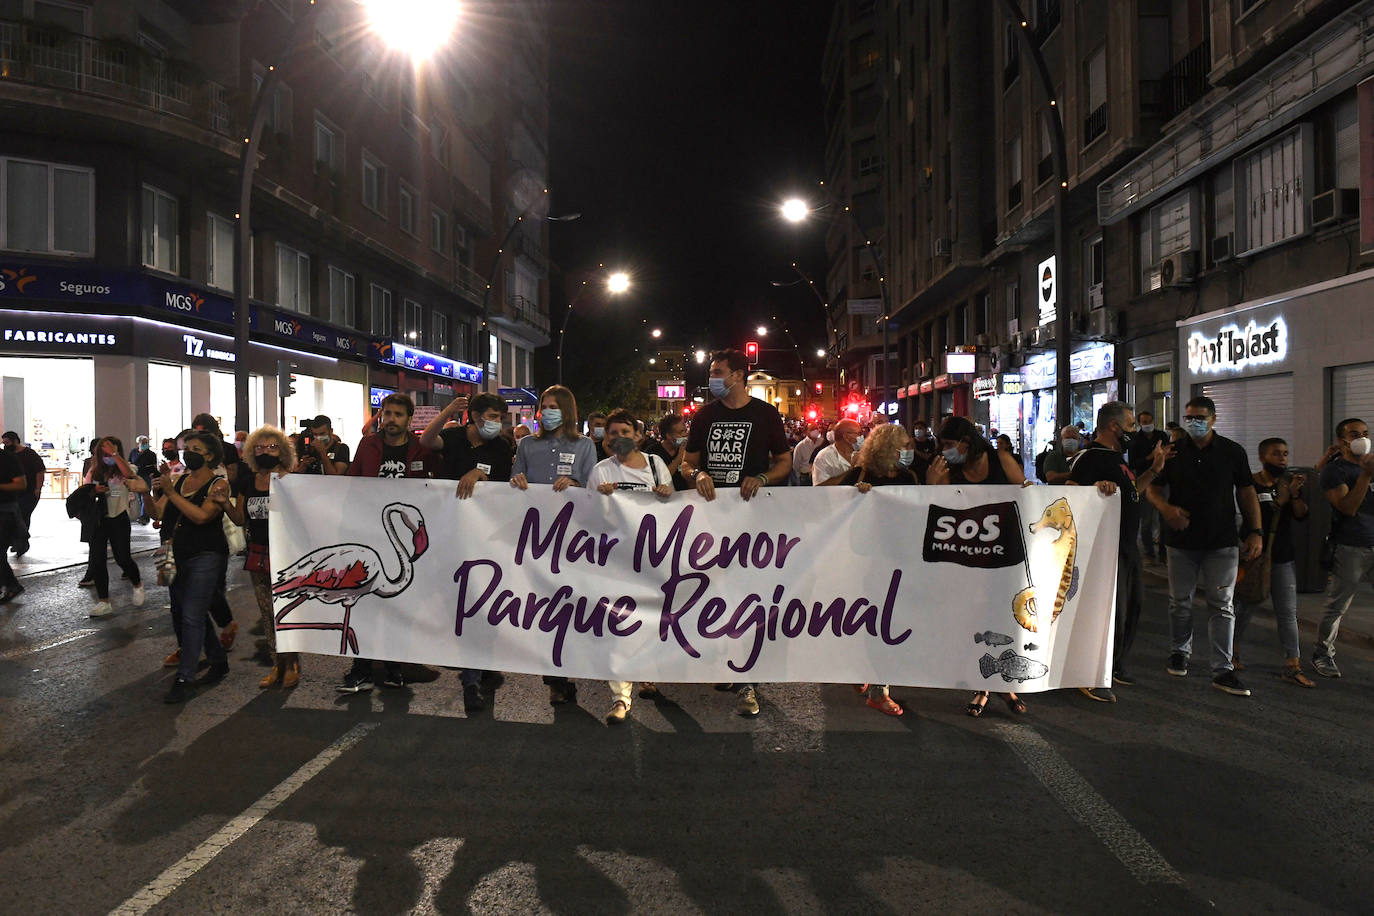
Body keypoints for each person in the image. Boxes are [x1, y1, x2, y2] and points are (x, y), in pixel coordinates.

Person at [680, 349, 792, 717]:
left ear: (739, 375)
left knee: (749, 599)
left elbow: (784, 461)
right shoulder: (704, 415)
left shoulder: (765, 414)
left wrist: (762, 478)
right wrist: (696, 475)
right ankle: (727, 662)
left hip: (753, 523)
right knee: (716, 597)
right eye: (711, 371)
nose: (712, 377)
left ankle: (749, 682)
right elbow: (687, 461)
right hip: (712, 523)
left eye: (717, 371)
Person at [1146, 396, 1263, 696]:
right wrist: (1166, 509)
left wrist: (1255, 531)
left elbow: (1247, 493)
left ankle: (1222, 669)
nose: (1194, 422)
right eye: (1189, 417)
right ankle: (1179, 651)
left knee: (1222, 605)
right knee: (1179, 602)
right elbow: (1152, 487)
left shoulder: (1232, 452)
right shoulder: (1173, 452)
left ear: (1213, 418)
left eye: (1199, 417)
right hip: (1181, 542)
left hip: (1222, 541)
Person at [337, 394, 440, 693]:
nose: (390, 419)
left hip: (404, 543)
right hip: (369, 535)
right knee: (365, 604)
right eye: (387, 413)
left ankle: (396, 666)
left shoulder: (422, 448)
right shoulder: (368, 446)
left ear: (409, 419)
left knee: (400, 605)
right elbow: (353, 482)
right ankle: (362, 668)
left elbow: (440, 484)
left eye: (397, 414)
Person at [419, 392, 515, 711]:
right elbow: (426, 442)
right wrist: (448, 410)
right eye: (490, 416)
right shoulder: (453, 437)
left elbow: (503, 491)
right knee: (456, 601)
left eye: (499, 418)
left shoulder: (501, 449)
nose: (495, 423)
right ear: (473, 416)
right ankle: (474, 663)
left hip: (484, 536)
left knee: (479, 601)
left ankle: (472, 676)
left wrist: (482, 475)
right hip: (448, 532)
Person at [927, 416, 1028, 717]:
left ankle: (1001, 684)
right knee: (973, 623)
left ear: (966, 442)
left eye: (947, 445)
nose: (944, 451)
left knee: (1001, 619)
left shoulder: (1000, 459)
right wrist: (932, 485)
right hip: (965, 557)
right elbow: (935, 509)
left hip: (1001, 554)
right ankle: (982, 686)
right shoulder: (946, 468)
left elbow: (1025, 494)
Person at [1067, 402, 1168, 701]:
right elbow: (1071, 494)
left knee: (1132, 606)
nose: (1134, 431)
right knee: (1108, 611)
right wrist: (1094, 489)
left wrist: (1154, 470)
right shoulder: (1090, 459)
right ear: (1114, 426)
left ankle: (1114, 664)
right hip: (1102, 548)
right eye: (1131, 425)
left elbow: (1133, 490)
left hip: (1126, 545)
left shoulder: (1117, 459)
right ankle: (1091, 672)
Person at [511, 385, 598, 706]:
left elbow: (593, 485)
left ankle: (567, 668)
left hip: (572, 539)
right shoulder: (525, 445)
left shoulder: (585, 445)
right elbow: (513, 480)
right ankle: (555, 677)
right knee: (542, 608)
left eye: (553, 407)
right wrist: (517, 481)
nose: (546, 412)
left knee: (568, 607)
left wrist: (576, 484)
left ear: (567, 411)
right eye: (543, 406)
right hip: (535, 537)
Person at [589, 409, 674, 724]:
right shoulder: (600, 471)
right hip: (615, 559)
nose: (619, 438)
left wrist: (667, 493)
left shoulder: (656, 466)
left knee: (652, 621)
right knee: (619, 627)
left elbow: (674, 510)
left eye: (625, 432)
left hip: (652, 557)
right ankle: (620, 698)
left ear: (638, 436)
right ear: (606, 438)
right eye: (613, 433)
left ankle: (648, 674)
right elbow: (586, 516)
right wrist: (599, 499)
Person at [839, 423, 920, 717]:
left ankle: (868, 675)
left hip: (901, 559)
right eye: (905, 445)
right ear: (889, 448)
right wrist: (855, 495)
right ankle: (878, 688)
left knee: (884, 622)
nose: (910, 451)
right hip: (870, 560)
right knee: (876, 621)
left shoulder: (909, 476)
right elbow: (829, 502)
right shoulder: (862, 475)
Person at [147, 431, 233, 704]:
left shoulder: (218, 484)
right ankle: (218, 660)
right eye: (187, 448)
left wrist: (171, 492)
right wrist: (150, 492)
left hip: (206, 555)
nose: (188, 452)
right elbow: (158, 513)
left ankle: (185, 678)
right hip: (178, 555)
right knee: (186, 611)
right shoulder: (181, 480)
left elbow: (201, 516)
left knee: (192, 614)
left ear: (209, 455)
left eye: (195, 448)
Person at [1232, 437, 1313, 687]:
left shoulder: (1286, 484)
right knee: (1245, 606)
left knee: (1287, 612)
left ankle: (1292, 664)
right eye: (1277, 454)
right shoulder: (1250, 485)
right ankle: (1231, 652)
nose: (1283, 459)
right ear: (1263, 457)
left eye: (1286, 454)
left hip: (1283, 557)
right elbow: (1257, 516)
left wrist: (1295, 494)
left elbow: (1301, 515)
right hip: (1255, 557)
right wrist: (1282, 500)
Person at [227, 426, 300, 689]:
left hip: (287, 555)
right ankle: (276, 664)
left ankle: (291, 663)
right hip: (258, 553)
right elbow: (238, 517)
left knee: (287, 612)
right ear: (251, 451)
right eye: (260, 447)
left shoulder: (291, 480)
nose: (265, 451)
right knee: (267, 613)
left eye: (271, 447)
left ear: (282, 451)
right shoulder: (247, 481)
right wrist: (224, 502)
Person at [1314, 418, 1374, 678]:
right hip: (1351, 546)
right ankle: (1323, 653)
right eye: (1354, 434)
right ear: (1342, 441)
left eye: (1365, 433)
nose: (1362, 438)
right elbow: (1347, 508)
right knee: (1338, 605)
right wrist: (1366, 475)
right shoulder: (1334, 471)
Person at [84, 437, 148, 618]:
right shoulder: (94, 470)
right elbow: (85, 489)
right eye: (104, 453)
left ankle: (137, 584)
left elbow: (129, 475)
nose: (107, 456)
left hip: (119, 517)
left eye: (110, 452)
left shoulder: (126, 467)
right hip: (98, 519)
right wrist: (94, 491)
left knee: (123, 558)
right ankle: (104, 601)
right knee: (97, 560)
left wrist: (115, 454)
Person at [1127, 410, 1170, 560]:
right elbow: (1132, 463)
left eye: (1150, 421)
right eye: (1144, 422)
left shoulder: (1162, 436)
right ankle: (1149, 552)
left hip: (1162, 481)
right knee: (1146, 519)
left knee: (1164, 518)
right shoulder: (1135, 440)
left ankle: (1164, 552)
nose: (1148, 424)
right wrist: (1150, 457)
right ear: (1140, 423)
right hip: (1144, 481)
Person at [2, 431, 44, 555]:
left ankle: (20, 541)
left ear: (15, 441)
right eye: (3, 443)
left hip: (29, 492)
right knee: (17, 517)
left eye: (7, 442)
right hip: (13, 494)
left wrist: (38, 488)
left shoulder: (29, 454)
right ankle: (19, 542)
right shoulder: (7, 455)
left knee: (23, 515)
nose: (5, 445)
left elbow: (40, 471)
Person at [0, 440, 26, 604]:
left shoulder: (6, 458)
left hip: (4, 511)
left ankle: (11, 585)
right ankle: (10, 584)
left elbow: (21, 484)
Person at [640, 413, 691, 490]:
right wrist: (678, 459)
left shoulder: (688, 449)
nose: (685, 434)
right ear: (669, 436)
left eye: (685, 430)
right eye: (681, 432)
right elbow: (658, 480)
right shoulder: (652, 452)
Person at [812, 419, 861, 486]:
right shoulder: (824, 457)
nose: (861, 437)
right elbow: (820, 486)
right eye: (858, 434)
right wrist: (852, 471)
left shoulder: (862, 454)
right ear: (846, 436)